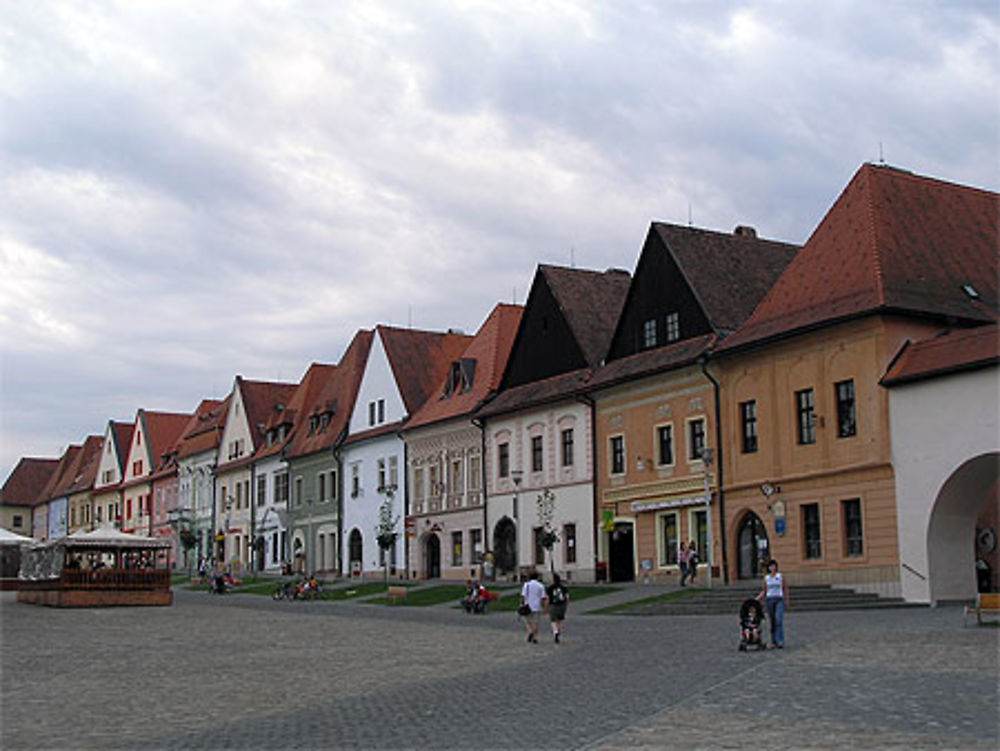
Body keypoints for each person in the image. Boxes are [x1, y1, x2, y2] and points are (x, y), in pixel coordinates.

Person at [759, 559, 790, 648]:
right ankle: (774, 641)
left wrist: (787, 600)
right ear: (768, 568)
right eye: (770, 566)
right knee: (772, 621)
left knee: (778, 620)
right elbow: (765, 590)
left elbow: (785, 588)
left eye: (773, 566)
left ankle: (780, 641)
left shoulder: (780, 576)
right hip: (770, 600)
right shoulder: (767, 578)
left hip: (779, 599)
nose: (772, 568)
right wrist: (758, 599)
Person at [520, 570, 547, 644]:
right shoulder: (540, 586)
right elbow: (543, 597)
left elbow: (523, 596)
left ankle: (530, 631)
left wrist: (521, 603)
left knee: (527, 622)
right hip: (537, 606)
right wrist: (544, 606)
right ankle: (535, 637)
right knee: (536, 622)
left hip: (527, 606)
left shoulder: (527, 585)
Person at [546, 573, 570, 643]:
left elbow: (548, 598)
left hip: (553, 605)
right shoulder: (563, 587)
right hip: (562, 604)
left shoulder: (550, 588)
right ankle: (558, 631)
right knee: (560, 619)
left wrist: (546, 607)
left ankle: (555, 631)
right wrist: (566, 604)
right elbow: (567, 597)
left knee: (553, 620)